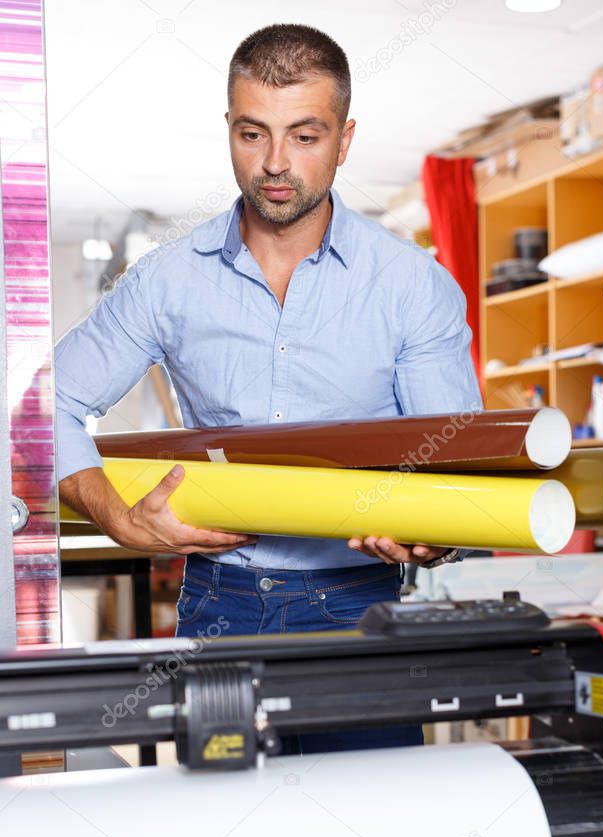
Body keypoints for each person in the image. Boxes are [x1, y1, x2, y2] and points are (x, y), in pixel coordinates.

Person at [55, 23, 483, 752]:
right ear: (229, 128)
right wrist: (115, 514)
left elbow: (459, 461)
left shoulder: (413, 287)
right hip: (219, 604)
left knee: (369, 836)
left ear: (345, 140)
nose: (276, 164)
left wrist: (436, 535)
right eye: (253, 134)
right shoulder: (167, 281)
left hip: (361, 609)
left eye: (305, 136)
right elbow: (45, 404)